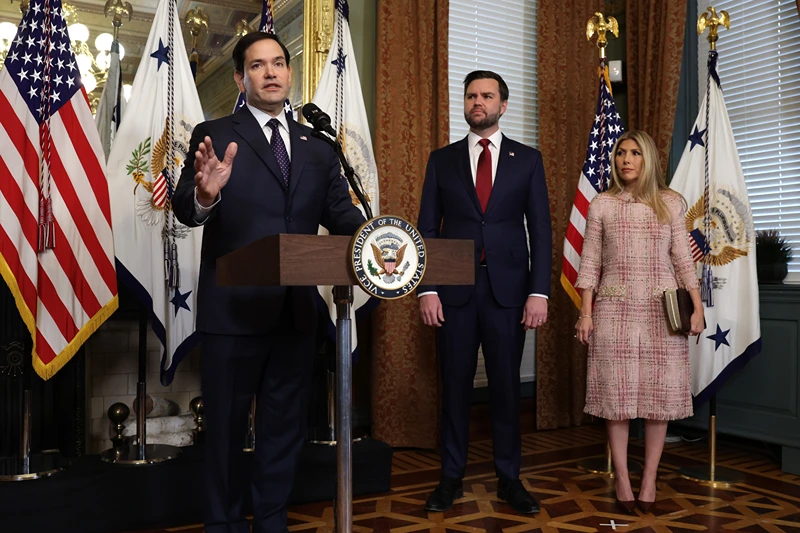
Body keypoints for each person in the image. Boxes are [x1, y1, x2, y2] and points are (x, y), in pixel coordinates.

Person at [172, 33, 366, 533]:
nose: (272, 72)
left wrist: (381, 239)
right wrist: (206, 195)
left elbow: (341, 215)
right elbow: (186, 210)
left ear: (289, 72)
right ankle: (224, 524)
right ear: (241, 78)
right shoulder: (214, 133)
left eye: (279, 63)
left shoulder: (318, 146)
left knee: (283, 435)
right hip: (232, 313)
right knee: (226, 436)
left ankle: (273, 524)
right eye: (258, 66)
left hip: (295, 314)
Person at [416, 70, 552, 514]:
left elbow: (542, 232)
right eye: (471, 95)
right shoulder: (442, 160)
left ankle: (509, 478)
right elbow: (426, 230)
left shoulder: (528, 160)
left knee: (506, 389)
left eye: (487, 95)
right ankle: (450, 478)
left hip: (509, 294)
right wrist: (427, 289)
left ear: (503, 105)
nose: (478, 102)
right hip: (453, 291)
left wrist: (539, 293)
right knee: (454, 386)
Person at [574, 130, 704, 514]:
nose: (625, 160)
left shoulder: (671, 203)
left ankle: (649, 479)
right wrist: (585, 312)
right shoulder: (601, 204)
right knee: (617, 401)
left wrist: (696, 307)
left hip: (663, 310)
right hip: (613, 311)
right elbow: (590, 263)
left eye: (634, 153)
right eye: (620, 153)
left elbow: (683, 259)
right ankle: (623, 480)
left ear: (648, 159)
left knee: (658, 401)